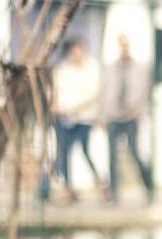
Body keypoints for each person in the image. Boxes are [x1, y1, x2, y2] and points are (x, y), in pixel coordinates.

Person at [49, 37, 103, 202]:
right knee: (64, 153)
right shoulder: (62, 69)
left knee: (86, 151)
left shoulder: (92, 68)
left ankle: (100, 184)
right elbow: (54, 90)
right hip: (63, 118)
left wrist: (72, 108)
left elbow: (93, 94)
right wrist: (55, 105)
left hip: (84, 117)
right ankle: (68, 188)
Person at [102, 34, 153, 204]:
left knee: (135, 154)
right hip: (113, 116)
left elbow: (144, 94)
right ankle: (114, 194)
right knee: (112, 156)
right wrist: (103, 115)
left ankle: (148, 187)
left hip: (132, 117)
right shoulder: (110, 69)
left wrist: (139, 113)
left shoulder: (140, 69)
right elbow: (104, 92)